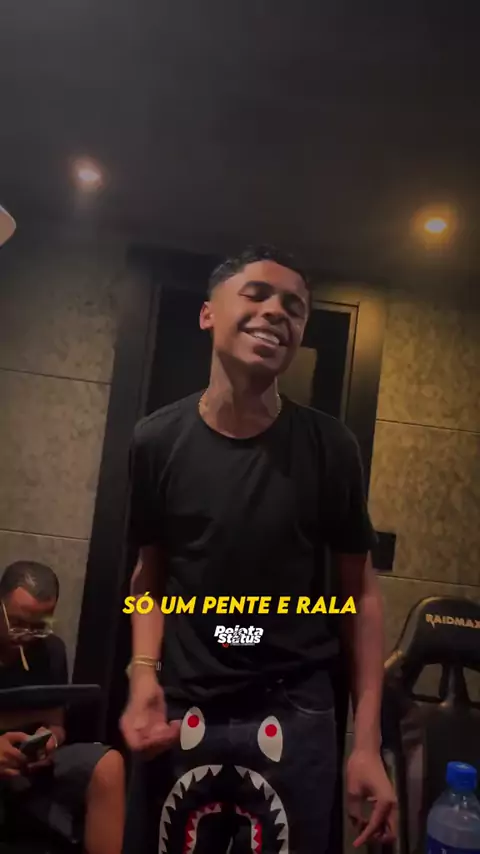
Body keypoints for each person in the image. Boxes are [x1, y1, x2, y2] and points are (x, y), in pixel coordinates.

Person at [120, 245, 397, 854]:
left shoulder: (331, 447)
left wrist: (366, 743)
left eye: (294, 307)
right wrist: (143, 675)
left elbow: (362, 594)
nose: (277, 312)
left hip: (297, 708)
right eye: (257, 294)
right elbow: (150, 575)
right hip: (185, 705)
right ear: (207, 314)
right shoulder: (155, 441)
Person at [0, 560, 125, 854]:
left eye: (39, 626)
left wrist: (51, 740)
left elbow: (56, 722)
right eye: (17, 623)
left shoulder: (51, 650)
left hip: (31, 763)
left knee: (109, 764)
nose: (27, 635)